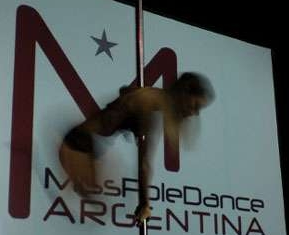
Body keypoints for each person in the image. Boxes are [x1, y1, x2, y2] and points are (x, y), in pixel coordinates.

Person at [59, 72, 214, 223]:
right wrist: (145, 204)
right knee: (93, 205)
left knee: (95, 202)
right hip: (77, 146)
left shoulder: (152, 99)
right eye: (196, 105)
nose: (195, 113)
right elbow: (144, 162)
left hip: (87, 147)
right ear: (184, 93)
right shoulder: (151, 105)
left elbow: (124, 98)